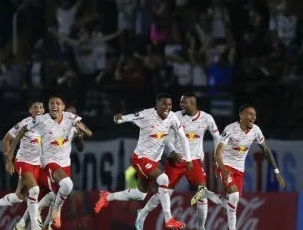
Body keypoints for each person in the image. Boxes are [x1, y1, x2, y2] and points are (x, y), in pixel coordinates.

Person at [94, 93, 191, 229]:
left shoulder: (172, 117)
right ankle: (169, 219)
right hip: (140, 158)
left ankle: (107, 196)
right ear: (156, 105)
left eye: (169, 105)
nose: (167, 107)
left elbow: (183, 137)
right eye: (164, 104)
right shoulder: (147, 115)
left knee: (139, 195)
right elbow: (129, 117)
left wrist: (185, 157)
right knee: (163, 179)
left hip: (154, 161)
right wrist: (118, 119)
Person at [191, 104, 286, 230]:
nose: (253, 117)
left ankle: (205, 193)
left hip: (239, 169)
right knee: (234, 196)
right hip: (225, 164)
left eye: (255, 114)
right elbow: (218, 152)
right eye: (250, 114)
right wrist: (223, 170)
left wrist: (276, 171)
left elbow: (266, 150)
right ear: (241, 116)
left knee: (230, 202)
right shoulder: (230, 129)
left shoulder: (256, 131)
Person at [135, 92, 220, 230]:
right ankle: (143, 212)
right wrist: (172, 151)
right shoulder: (175, 116)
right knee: (165, 194)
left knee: (202, 192)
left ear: (192, 103)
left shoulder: (207, 118)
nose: (180, 105)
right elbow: (167, 138)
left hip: (194, 161)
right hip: (177, 160)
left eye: (183, 102)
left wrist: (217, 157)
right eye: (180, 102)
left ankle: (201, 227)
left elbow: (217, 137)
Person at [7, 97, 92, 229]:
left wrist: (80, 135)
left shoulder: (72, 125)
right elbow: (19, 132)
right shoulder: (44, 121)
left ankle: (33, 224)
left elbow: (81, 148)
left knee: (54, 195)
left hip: (63, 165)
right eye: (71, 113)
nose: (73, 116)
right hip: (44, 165)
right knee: (50, 194)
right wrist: (11, 156)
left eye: (74, 114)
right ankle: (28, 223)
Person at [0, 101, 50, 230]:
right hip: (23, 161)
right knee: (34, 190)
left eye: (41, 107)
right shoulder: (24, 124)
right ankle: (35, 226)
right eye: (35, 107)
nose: (39, 110)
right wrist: (9, 160)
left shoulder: (46, 125)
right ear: (30, 110)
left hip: (36, 164)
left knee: (19, 196)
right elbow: (6, 139)